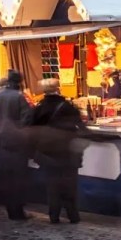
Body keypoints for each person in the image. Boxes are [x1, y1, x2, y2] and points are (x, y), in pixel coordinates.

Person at [30, 79, 87, 224]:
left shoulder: (39, 108)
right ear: (58, 89)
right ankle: (73, 215)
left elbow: (32, 129)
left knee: (52, 186)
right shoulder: (68, 106)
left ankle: (54, 216)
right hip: (68, 152)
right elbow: (81, 127)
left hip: (48, 153)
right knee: (70, 186)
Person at [0, 69, 33, 220]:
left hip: (1, 140)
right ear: (19, 82)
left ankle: (10, 209)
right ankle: (18, 211)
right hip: (16, 141)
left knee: (7, 176)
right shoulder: (19, 97)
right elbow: (27, 117)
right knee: (18, 177)